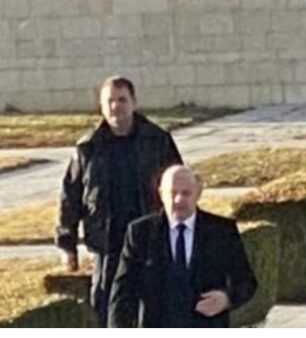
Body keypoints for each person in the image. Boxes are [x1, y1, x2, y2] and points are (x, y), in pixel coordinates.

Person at [56, 76, 184, 327]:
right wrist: (66, 244)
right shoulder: (87, 148)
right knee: (106, 311)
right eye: (110, 101)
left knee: (154, 311)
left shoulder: (157, 141)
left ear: (134, 102)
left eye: (122, 100)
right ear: (101, 106)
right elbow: (70, 197)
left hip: (150, 242)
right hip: (107, 245)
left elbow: (180, 187)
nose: (116, 106)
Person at [108, 165, 257, 327]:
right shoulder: (140, 233)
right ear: (161, 195)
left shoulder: (221, 231)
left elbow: (246, 282)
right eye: (172, 193)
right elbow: (122, 293)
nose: (178, 200)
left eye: (186, 193)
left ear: (198, 193)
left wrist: (226, 299)